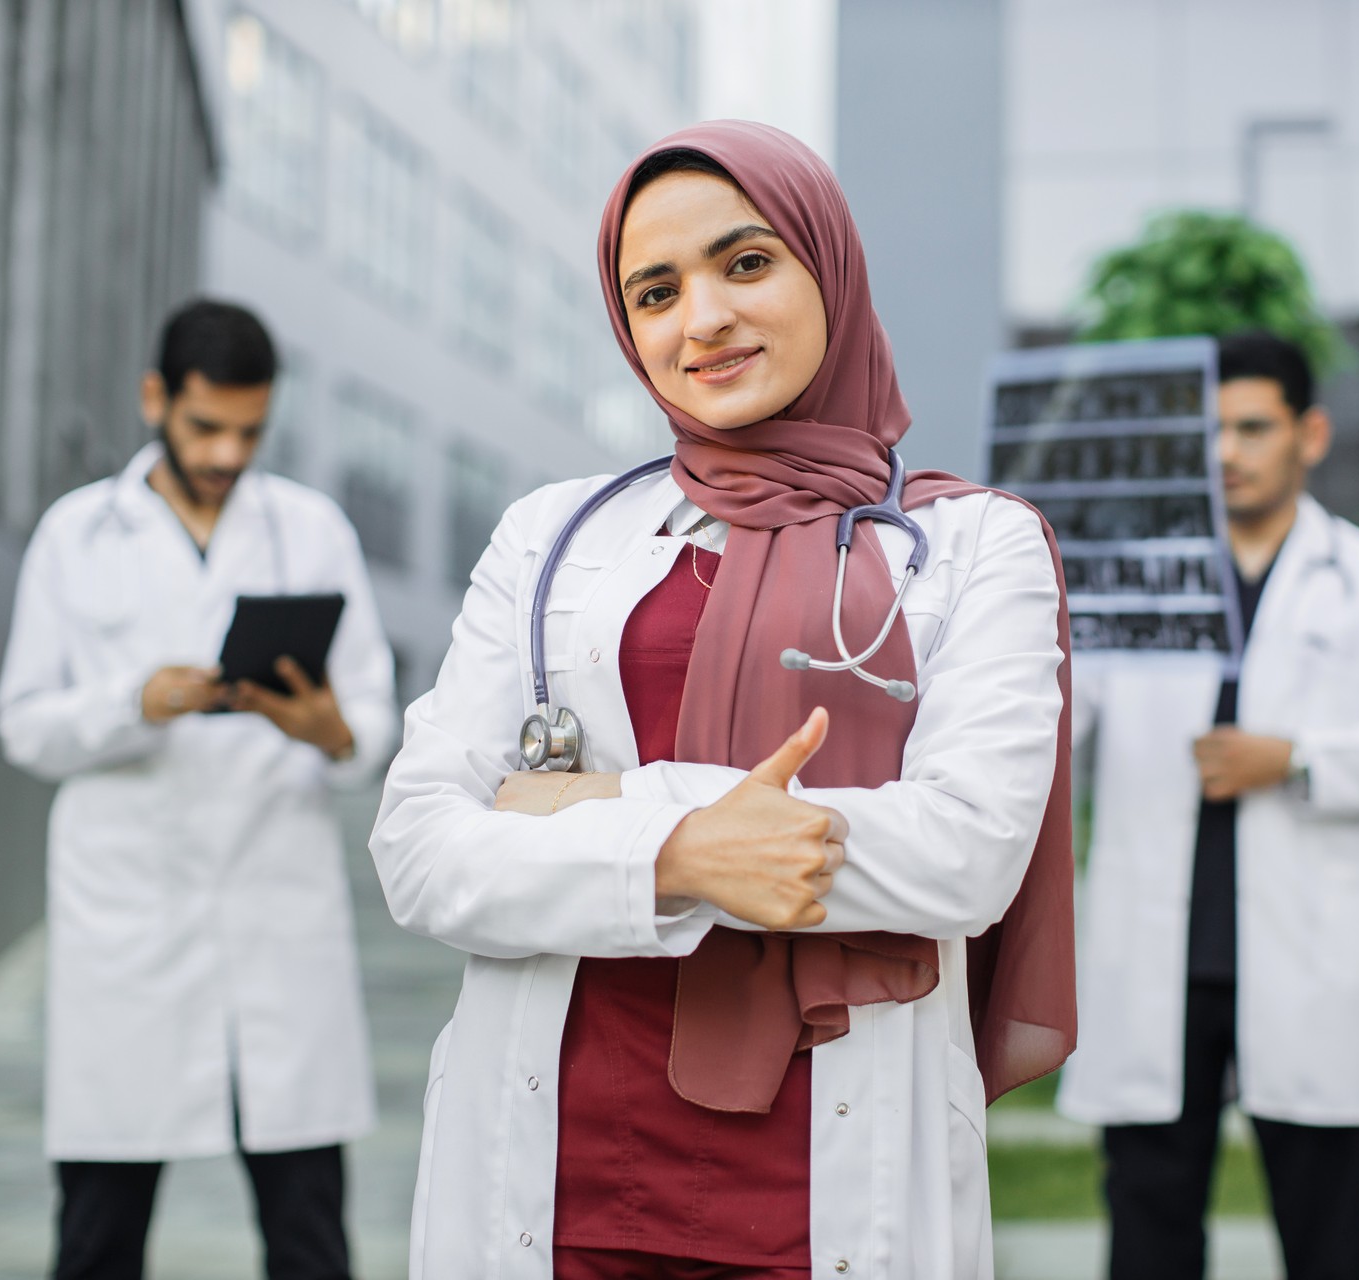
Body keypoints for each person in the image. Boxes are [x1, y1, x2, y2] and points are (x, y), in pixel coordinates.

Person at [369, 121, 1075, 1280]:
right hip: (559, 1173)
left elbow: (966, 853)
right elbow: (419, 845)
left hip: (830, 1181)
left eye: (746, 263)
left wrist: (584, 804)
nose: (702, 320)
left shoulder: (974, 544)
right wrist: (683, 850)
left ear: (826, 265)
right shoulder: (551, 537)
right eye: (655, 292)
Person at [0, 299, 398, 1280]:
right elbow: (24, 723)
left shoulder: (312, 529)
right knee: (98, 1235)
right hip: (130, 920)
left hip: (275, 907)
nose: (226, 453)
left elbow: (373, 724)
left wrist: (326, 728)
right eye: (204, 426)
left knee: (309, 1232)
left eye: (249, 432)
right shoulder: (76, 533)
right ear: (154, 399)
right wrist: (135, 701)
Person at [1059, 331, 1359, 1280]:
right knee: (1148, 1226)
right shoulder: (1133, 577)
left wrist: (1296, 759)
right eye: (1209, 431)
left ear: (1309, 434)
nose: (1227, 453)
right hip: (1161, 961)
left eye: (1252, 428)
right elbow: (1052, 723)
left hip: (1306, 952)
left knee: (1325, 1233)